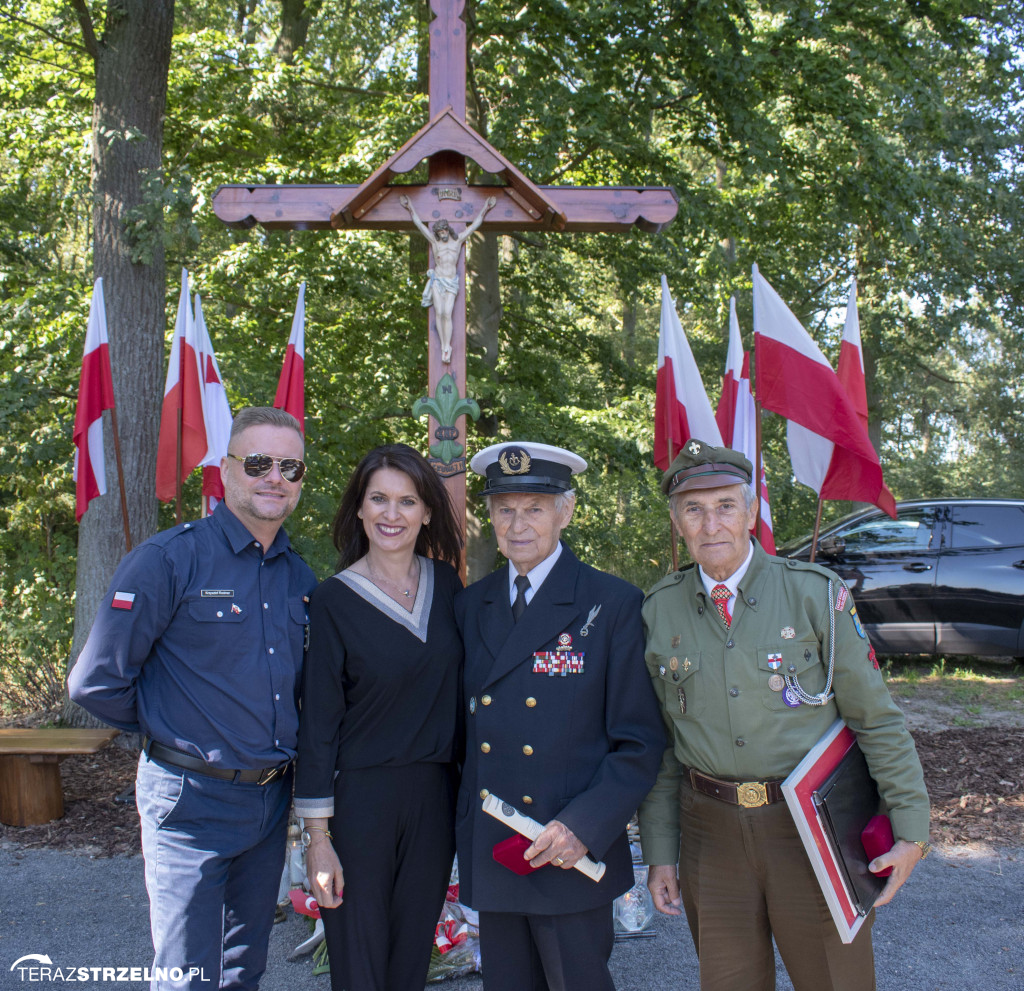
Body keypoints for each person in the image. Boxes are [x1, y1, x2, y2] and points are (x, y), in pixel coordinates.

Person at [638, 439, 931, 991]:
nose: (711, 523)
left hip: (812, 828)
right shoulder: (659, 609)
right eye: (693, 510)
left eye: (725, 505)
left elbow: (877, 719)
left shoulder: (814, 596)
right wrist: (660, 851)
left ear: (751, 512)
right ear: (677, 521)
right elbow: (662, 745)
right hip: (711, 832)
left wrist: (911, 829)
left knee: (834, 980)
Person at [68, 406, 316, 991]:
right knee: (187, 976)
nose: (273, 477)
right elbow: (94, 682)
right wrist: (178, 726)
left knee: (242, 970)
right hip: (190, 804)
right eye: (257, 462)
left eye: (289, 466)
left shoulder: (300, 579)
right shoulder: (169, 560)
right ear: (225, 471)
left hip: (268, 802)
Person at [456, 441, 664, 991]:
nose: (517, 524)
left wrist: (585, 827)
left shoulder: (611, 603)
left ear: (565, 512)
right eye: (504, 509)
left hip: (568, 848)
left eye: (534, 508)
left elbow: (638, 741)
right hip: (498, 846)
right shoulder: (469, 605)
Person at [293, 443, 464, 991]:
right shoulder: (333, 602)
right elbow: (317, 726)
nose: (393, 514)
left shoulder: (448, 587)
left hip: (435, 798)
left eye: (407, 501)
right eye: (379, 500)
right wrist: (317, 838)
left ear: (428, 512)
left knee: (412, 956)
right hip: (360, 803)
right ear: (360, 510)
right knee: (360, 961)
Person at [398, 193, 497, 363]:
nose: (442, 234)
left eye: (444, 231)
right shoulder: (435, 243)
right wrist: (410, 207)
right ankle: (444, 345)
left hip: (451, 282)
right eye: (439, 232)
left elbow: (474, 226)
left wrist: (485, 208)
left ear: (448, 230)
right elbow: (419, 225)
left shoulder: (457, 242)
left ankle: (447, 347)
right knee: (439, 312)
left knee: (447, 313)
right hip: (438, 280)